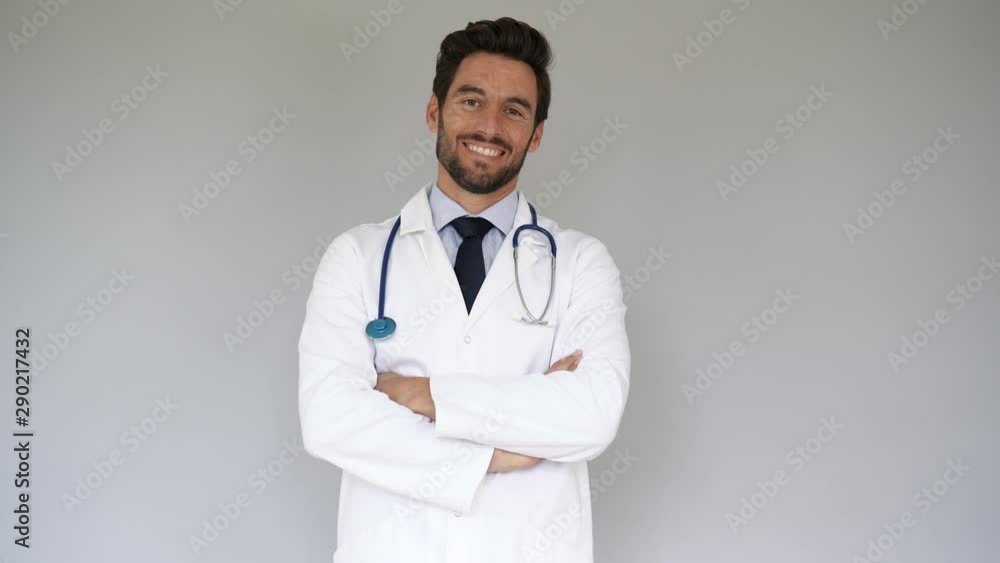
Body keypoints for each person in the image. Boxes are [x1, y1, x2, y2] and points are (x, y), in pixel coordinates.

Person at [297, 17, 631, 563]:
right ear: (435, 112)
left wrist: (418, 394)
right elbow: (330, 418)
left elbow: (591, 413)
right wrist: (497, 454)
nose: (490, 126)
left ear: (536, 134)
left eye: (515, 110)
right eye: (471, 101)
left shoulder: (580, 261)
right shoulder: (357, 257)